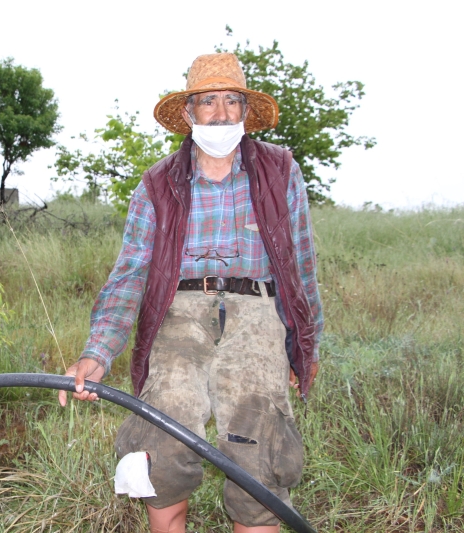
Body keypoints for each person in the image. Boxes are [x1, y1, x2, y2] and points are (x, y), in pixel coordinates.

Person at [58, 52, 323, 533]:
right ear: (188, 113)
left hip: (257, 313)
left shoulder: (281, 171)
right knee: (163, 440)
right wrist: (97, 352)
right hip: (178, 315)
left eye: (231, 101)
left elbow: (302, 265)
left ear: (245, 110)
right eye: (208, 102)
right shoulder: (156, 184)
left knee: (257, 448)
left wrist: (306, 344)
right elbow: (129, 275)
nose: (220, 113)